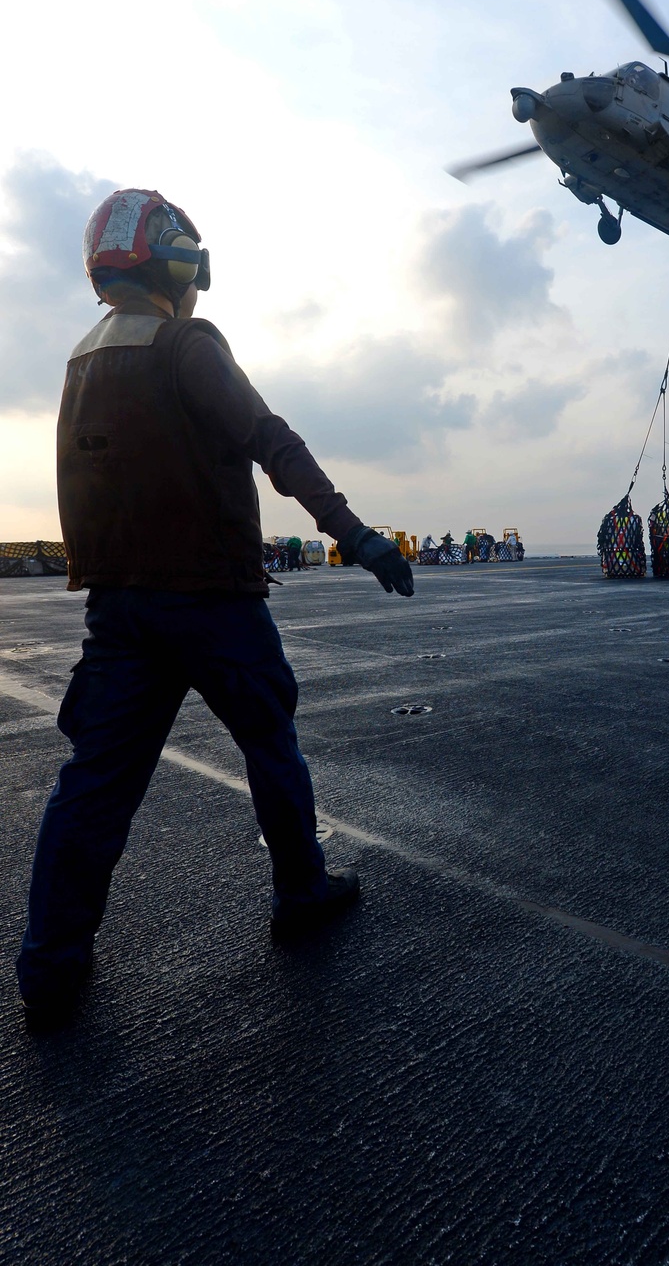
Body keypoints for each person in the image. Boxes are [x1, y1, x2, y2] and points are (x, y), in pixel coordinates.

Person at [16, 188, 414, 1031]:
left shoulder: (81, 362)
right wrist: (357, 535)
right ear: (173, 262)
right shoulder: (186, 344)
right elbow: (272, 441)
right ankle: (300, 890)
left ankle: (48, 962)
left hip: (118, 613)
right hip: (212, 604)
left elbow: (79, 490)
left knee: (91, 786)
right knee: (270, 742)